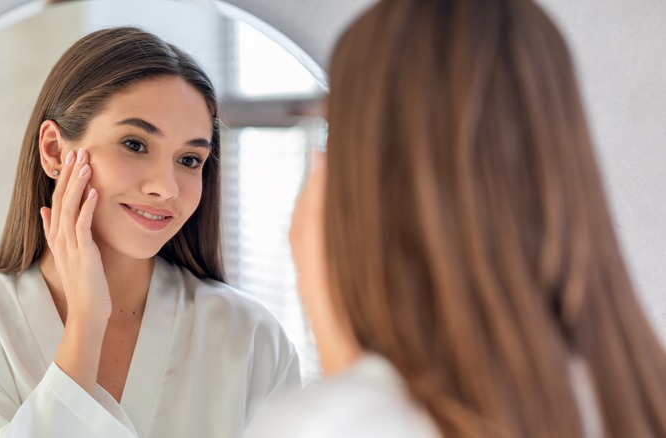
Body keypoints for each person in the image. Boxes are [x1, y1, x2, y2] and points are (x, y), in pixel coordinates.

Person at [246, 0, 666, 437]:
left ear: (363, 177)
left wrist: (336, 336)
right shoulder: (639, 400)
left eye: (334, 137)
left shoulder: (333, 425)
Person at [0, 26, 300, 437]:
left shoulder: (251, 339)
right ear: (54, 150)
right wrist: (86, 322)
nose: (166, 188)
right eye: (135, 144)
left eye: (189, 159)